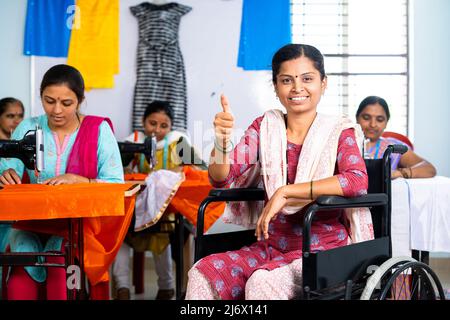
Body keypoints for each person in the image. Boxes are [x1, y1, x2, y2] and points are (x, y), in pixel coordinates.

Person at [185, 44, 372, 300]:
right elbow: (220, 177)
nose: (297, 88)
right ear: (275, 87)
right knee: (201, 273)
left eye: (307, 79)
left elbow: (356, 180)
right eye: (286, 80)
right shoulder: (265, 128)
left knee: (262, 283)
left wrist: (286, 192)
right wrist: (221, 141)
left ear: (323, 83)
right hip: (269, 247)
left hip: (322, 250)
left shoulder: (339, 131)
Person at [0, 64, 123, 300]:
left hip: (76, 225)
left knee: (60, 267)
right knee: (20, 277)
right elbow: (9, 171)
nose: (56, 110)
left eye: (66, 103)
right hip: (30, 220)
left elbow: (115, 184)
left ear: (80, 100)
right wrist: (5, 175)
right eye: (49, 101)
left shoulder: (98, 130)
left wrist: (80, 180)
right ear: (41, 97)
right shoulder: (28, 128)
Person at [113, 101, 203, 300]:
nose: (157, 130)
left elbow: (200, 169)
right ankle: (122, 288)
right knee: (119, 236)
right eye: (152, 123)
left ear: (171, 127)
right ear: (143, 122)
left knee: (161, 235)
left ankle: (166, 287)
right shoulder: (135, 140)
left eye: (164, 126)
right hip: (139, 206)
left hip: (169, 210)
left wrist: (180, 170)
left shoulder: (178, 141)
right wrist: (126, 169)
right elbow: (114, 168)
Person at [356, 96, 436, 179]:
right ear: (357, 118)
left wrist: (399, 173)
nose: (372, 124)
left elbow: (429, 169)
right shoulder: (345, 144)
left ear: (386, 122)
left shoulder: (393, 147)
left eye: (380, 119)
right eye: (366, 118)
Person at [0, 97, 25, 296]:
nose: (16, 121)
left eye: (19, 116)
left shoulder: (24, 146)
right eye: (10, 116)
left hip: (15, 216)